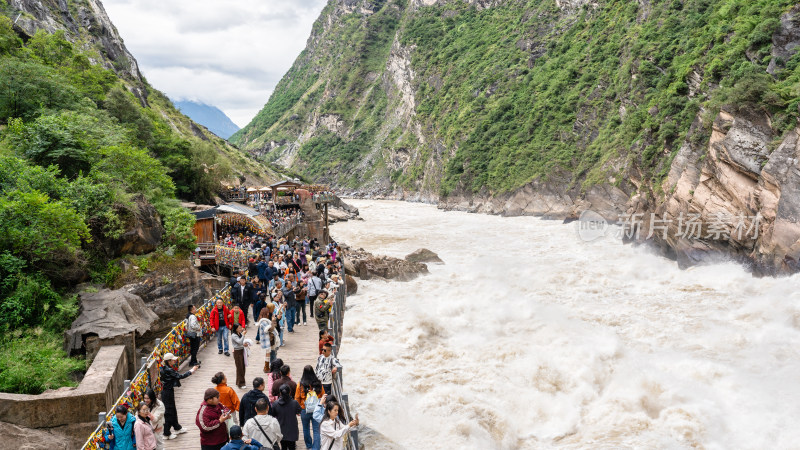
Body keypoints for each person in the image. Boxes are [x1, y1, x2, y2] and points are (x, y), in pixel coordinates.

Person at [161, 352, 197, 439]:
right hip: (167, 392)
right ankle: (166, 433)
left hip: (167, 391)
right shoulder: (169, 370)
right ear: (169, 361)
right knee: (169, 411)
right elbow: (180, 376)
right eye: (173, 360)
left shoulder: (165, 368)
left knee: (172, 410)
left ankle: (177, 427)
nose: (174, 361)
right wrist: (192, 370)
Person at [295, 365, 325, 450]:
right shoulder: (318, 384)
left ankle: (309, 446)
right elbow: (323, 395)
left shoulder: (300, 384)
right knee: (316, 430)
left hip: (304, 409)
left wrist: (298, 410)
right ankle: (316, 448)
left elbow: (297, 398)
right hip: (317, 409)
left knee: (305, 428)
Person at [270, 384, 301, 450]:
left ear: (280, 393)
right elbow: (299, 411)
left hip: (281, 429)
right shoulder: (294, 403)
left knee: (283, 447)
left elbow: (272, 414)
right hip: (292, 430)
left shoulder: (275, 404)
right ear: (289, 392)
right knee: (292, 447)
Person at [231, 323, 249, 389]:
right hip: (237, 352)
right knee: (239, 368)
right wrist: (243, 335)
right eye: (239, 328)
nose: (241, 329)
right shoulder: (233, 335)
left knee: (242, 367)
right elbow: (239, 341)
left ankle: (239, 381)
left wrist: (245, 344)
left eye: (241, 327)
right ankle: (241, 383)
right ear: (236, 329)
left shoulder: (239, 334)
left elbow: (242, 342)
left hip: (242, 351)